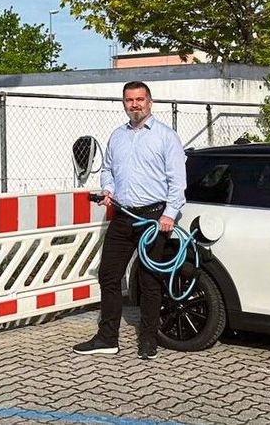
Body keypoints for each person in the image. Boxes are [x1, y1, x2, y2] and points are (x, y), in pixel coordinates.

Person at [73, 81, 186, 360]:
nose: (134, 105)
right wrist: (108, 191)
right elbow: (108, 170)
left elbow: (177, 181)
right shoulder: (117, 136)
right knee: (108, 275)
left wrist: (169, 214)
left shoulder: (165, 137)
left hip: (153, 219)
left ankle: (148, 340)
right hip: (123, 216)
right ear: (124, 103)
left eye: (139, 99)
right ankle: (107, 337)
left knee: (149, 280)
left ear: (150, 102)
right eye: (129, 100)